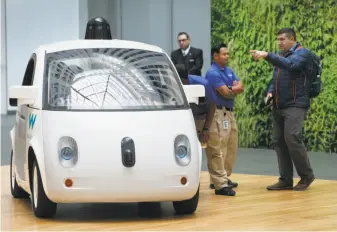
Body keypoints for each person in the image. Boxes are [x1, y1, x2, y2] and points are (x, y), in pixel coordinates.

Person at [250, 28, 315, 191]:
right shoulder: (281, 57)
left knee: (292, 137)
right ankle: (286, 180)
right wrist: (270, 91)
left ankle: (306, 176)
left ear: (292, 39)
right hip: (279, 104)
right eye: (277, 40)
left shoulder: (302, 54)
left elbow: (292, 66)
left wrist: (267, 55)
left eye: (281, 39)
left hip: (295, 104)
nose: (279, 42)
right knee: (279, 141)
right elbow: (276, 77)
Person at [199, 43, 244, 196]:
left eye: (228, 54)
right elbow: (226, 93)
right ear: (215, 56)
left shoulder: (229, 71)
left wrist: (233, 90)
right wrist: (233, 90)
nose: (227, 57)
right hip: (218, 113)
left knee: (231, 145)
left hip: (230, 112)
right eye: (224, 54)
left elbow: (240, 87)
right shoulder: (213, 73)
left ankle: (224, 177)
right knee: (219, 146)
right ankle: (218, 181)